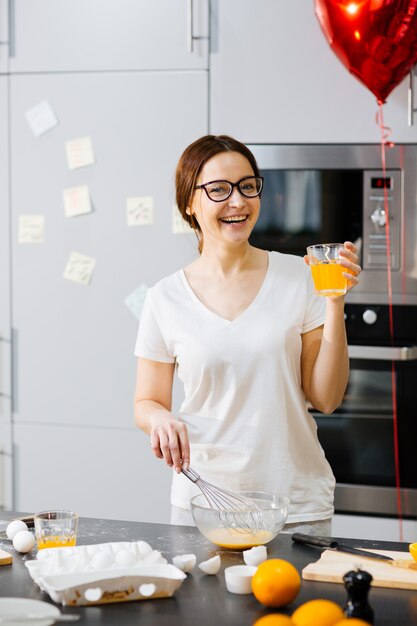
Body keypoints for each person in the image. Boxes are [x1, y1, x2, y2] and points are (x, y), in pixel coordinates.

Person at [133, 135, 361, 535]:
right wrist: (160, 420)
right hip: (204, 504)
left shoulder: (300, 277)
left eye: (247, 186)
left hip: (295, 505)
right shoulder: (165, 297)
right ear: (190, 202)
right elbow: (147, 401)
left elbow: (326, 397)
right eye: (219, 189)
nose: (237, 202)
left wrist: (335, 302)